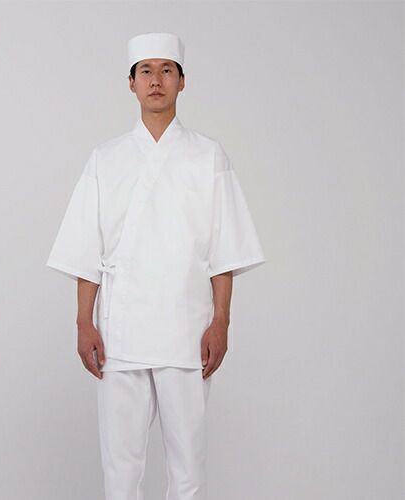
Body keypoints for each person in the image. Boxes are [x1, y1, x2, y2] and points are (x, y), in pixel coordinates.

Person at [46, 32, 266, 500]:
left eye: (167, 70)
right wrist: (84, 321)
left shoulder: (208, 156)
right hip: (120, 333)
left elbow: (225, 250)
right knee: (120, 469)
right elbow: (85, 249)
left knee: (187, 470)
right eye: (145, 71)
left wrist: (221, 322)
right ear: (131, 83)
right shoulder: (105, 159)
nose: (156, 80)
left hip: (187, 331)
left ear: (182, 81)